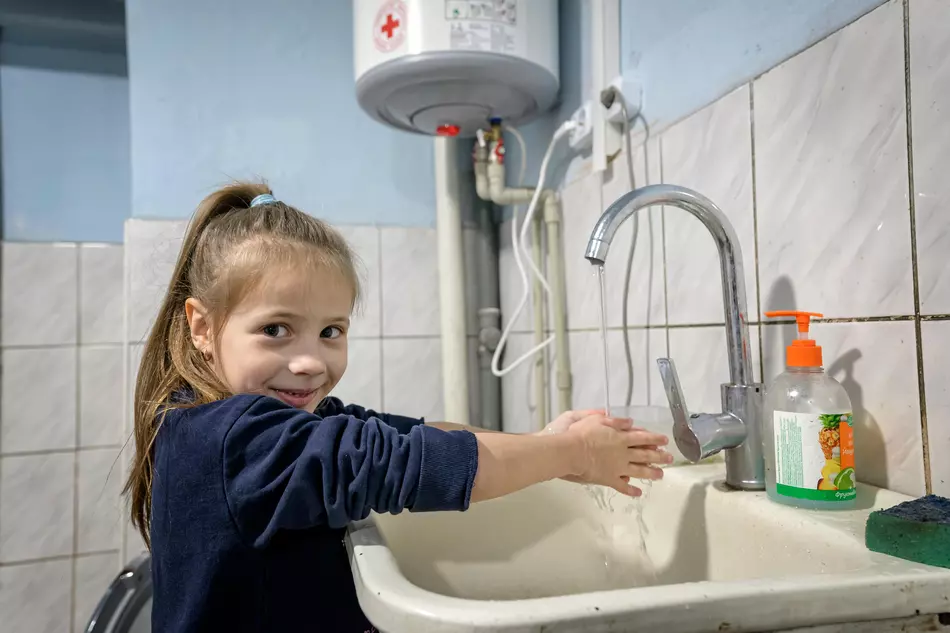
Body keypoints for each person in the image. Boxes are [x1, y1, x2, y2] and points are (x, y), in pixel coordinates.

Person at [123, 182, 672, 633]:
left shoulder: (243, 421)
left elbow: (410, 436)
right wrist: (573, 453)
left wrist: (544, 443)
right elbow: (412, 464)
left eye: (331, 331)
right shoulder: (237, 440)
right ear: (202, 327)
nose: (310, 362)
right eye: (275, 329)